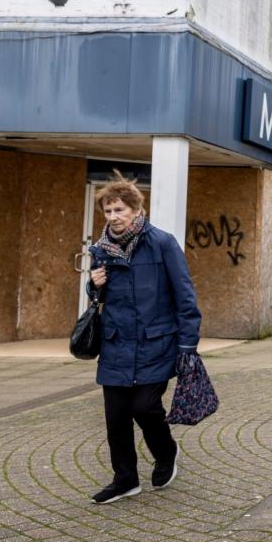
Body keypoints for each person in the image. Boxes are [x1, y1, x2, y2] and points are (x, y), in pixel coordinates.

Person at [86, 172, 201, 504]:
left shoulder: (162, 242)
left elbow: (185, 297)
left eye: (119, 210)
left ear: (136, 209)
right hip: (116, 342)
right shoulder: (101, 249)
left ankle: (166, 452)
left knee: (145, 406)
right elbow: (97, 298)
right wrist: (94, 284)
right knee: (116, 417)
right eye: (108, 212)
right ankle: (125, 480)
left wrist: (187, 345)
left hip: (156, 342)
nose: (113, 218)